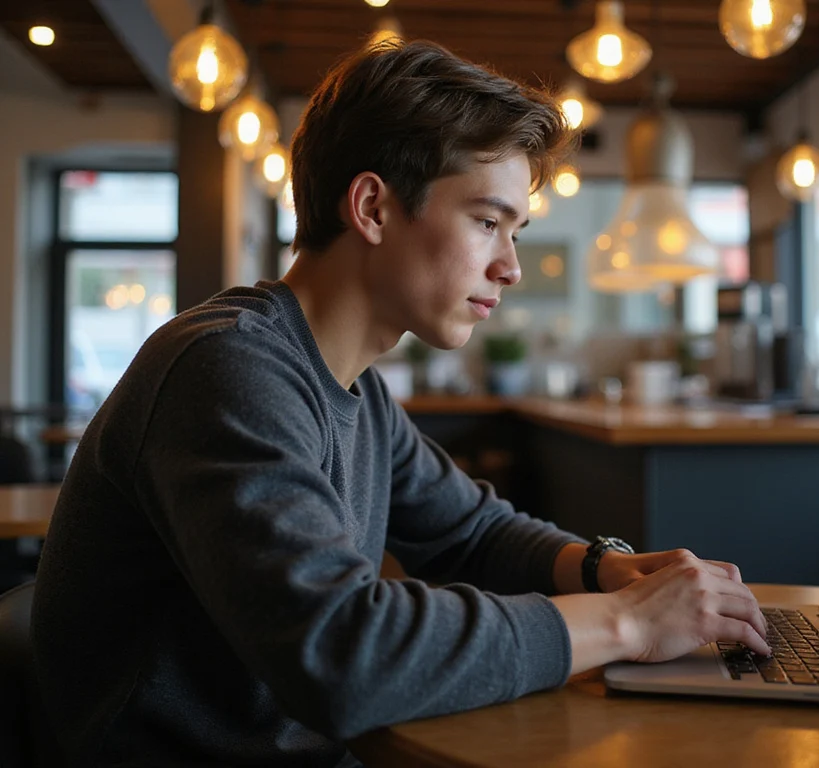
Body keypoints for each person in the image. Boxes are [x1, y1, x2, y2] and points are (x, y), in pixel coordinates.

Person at [30, 40, 769, 767]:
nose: (510, 266)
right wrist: (627, 623)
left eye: (515, 231)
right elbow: (345, 652)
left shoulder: (356, 387)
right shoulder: (224, 368)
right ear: (373, 207)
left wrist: (603, 569)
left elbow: (469, 533)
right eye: (488, 221)